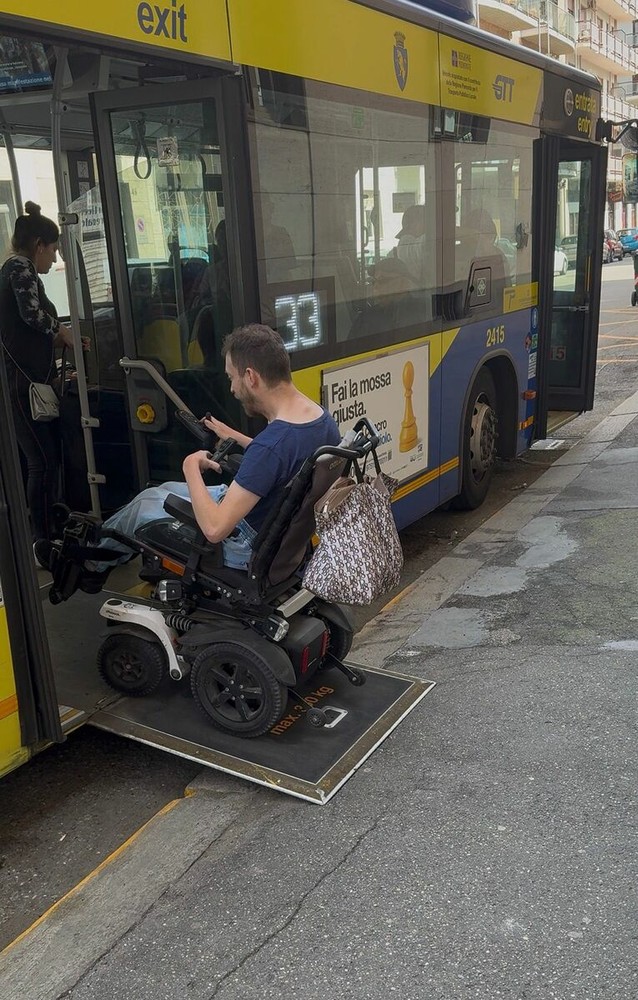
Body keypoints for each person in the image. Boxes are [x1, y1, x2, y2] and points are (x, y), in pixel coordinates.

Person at [36, 324, 341, 583]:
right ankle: (98, 549)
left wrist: (190, 466)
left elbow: (215, 529)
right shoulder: (319, 420)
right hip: (275, 534)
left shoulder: (270, 447)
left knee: (143, 507)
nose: (232, 389)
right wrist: (238, 438)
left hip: (243, 545)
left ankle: (88, 563)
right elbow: (287, 460)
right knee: (159, 492)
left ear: (251, 377)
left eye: (232, 378)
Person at [0, 202, 77, 555]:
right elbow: (31, 314)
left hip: (25, 381)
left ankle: (49, 527)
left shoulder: (15, 268)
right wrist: (60, 330)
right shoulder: (20, 267)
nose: (54, 258)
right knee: (42, 461)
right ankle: (42, 538)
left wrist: (58, 337)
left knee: (45, 458)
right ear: (39, 245)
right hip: (21, 384)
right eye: (54, 249)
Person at [394, 204, 427, 284]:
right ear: (413, 224)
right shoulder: (405, 243)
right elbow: (425, 242)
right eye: (426, 220)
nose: (429, 224)